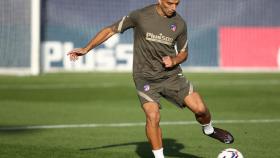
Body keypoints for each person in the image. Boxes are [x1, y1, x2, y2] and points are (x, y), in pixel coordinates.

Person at [67, 0, 234, 158]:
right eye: (170, 3)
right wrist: (86, 49)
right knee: (153, 116)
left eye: (177, 3)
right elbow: (110, 30)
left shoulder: (180, 23)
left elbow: (184, 53)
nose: (174, 7)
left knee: (201, 109)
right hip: (144, 77)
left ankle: (209, 129)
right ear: (160, 0)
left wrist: (174, 60)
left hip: (171, 75)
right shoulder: (140, 15)